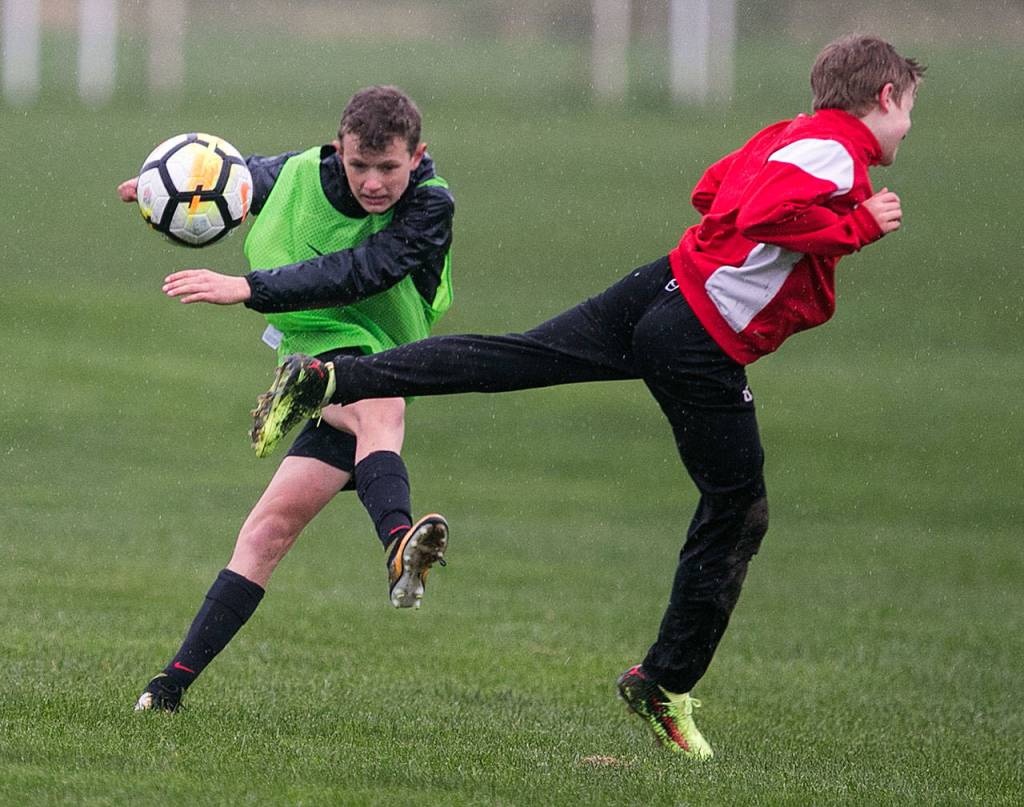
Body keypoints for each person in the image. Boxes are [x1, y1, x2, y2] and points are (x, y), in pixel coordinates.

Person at [247, 37, 924, 758]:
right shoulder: (836, 155)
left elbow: (713, 190)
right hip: (698, 337)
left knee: (513, 356)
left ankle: (332, 378)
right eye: (909, 107)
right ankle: (662, 681)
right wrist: (855, 226)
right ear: (884, 98)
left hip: (663, 283)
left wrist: (790, 236)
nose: (909, 125)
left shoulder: (792, 134)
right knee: (738, 507)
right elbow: (760, 217)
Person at [121, 85, 455, 713]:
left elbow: (362, 271)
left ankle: (168, 686)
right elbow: (233, 178)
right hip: (323, 343)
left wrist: (246, 286)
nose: (374, 182)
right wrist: (164, 193)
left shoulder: (431, 209)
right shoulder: (300, 173)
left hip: (385, 348)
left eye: (389, 168)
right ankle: (398, 544)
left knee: (268, 530)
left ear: (418, 156)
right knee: (383, 408)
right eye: (360, 165)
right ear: (339, 150)